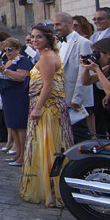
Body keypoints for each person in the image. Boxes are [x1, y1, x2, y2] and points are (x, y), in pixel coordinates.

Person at [19, 24, 72, 207]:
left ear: (48, 38)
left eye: (39, 37)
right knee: (43, 146)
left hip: (48, 108)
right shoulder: (46, 55)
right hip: (46, 106)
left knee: (49, 146)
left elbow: (48, 85)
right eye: (33, 36)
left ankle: (53, 190)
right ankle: (47, 187)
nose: (35, 40)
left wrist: (37, 108)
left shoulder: (48, 57)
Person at [53, 13, 94, 142]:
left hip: (74, 99)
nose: (55, 28)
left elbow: (84, 72)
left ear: (69, 23)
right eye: (54, 25)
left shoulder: (84, 43)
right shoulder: (59, 44)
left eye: (58, 24)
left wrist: (77, 98)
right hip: (61, 96)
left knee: (79, 135)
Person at [0, 37, 33, 165]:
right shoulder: (7, 61)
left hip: (18, 96)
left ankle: (24, 155)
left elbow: (22, 77)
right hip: (8, 97)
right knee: (12, 126)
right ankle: (17, 152)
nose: (7, 52)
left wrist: (4, 71)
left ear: (18, 49)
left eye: (10, 49)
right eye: (5, 50)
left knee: (20, 126)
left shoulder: (23, 61)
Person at [90, 7, 110, 136]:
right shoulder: (95, 35)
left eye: (100, 19)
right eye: (95, 19)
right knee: (99, 115)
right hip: (96, 80)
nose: (97, 21)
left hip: (108, 79)